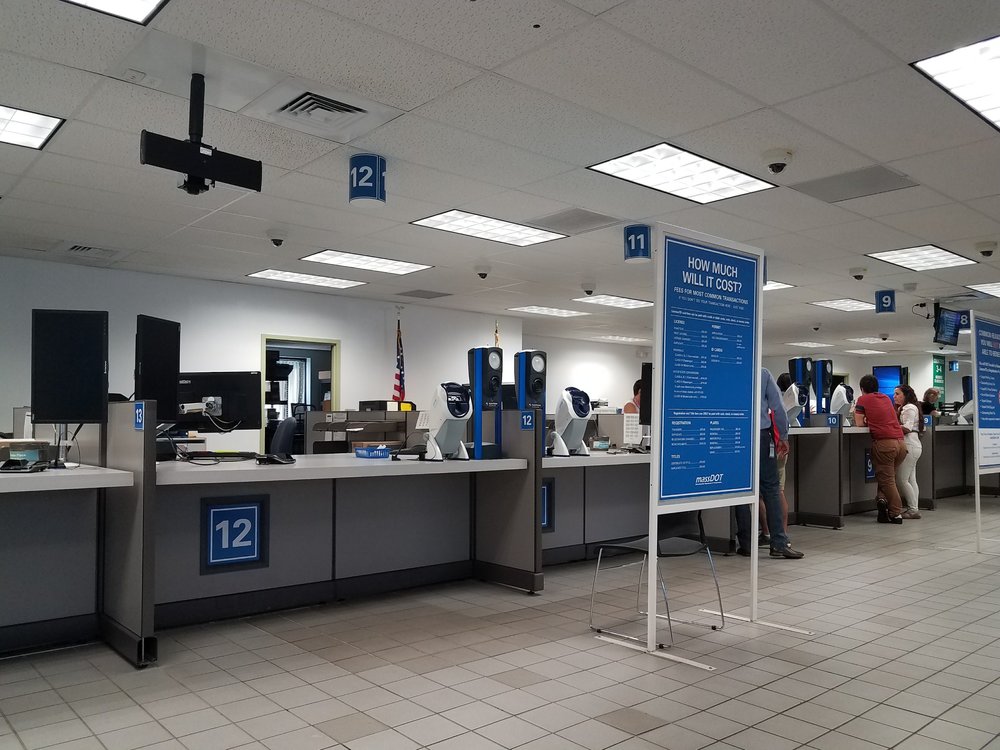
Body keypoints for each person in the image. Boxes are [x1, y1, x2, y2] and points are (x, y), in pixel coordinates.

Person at [735, 368, 804, 559]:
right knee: (771, 488)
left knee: (740, 490)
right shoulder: (762, 373)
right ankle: (779, 543)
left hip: (734, 433)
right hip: (761, 436)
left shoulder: (727, 370)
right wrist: (783, 435)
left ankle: (746, 544)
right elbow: (778, 407)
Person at [854, 375, 907, 524]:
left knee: (887, 480)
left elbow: (859, 423)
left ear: (862, 389)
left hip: (885, 444)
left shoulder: (863, 399)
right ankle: (882, 503)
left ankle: (896, 513)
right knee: (887, 478)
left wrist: (866, 420)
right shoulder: (885, 398)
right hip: (901, 444)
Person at [894, 384, 923, 520]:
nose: (894, 396)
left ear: (905, 395)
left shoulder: (909, 408)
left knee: (901, 479)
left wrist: (890, 425)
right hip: (914, 444)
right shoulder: (908, 407)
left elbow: (907, 427)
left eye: (897, 394)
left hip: (909, 445)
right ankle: (914, 508)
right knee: (911, 479)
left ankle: (913, 509)